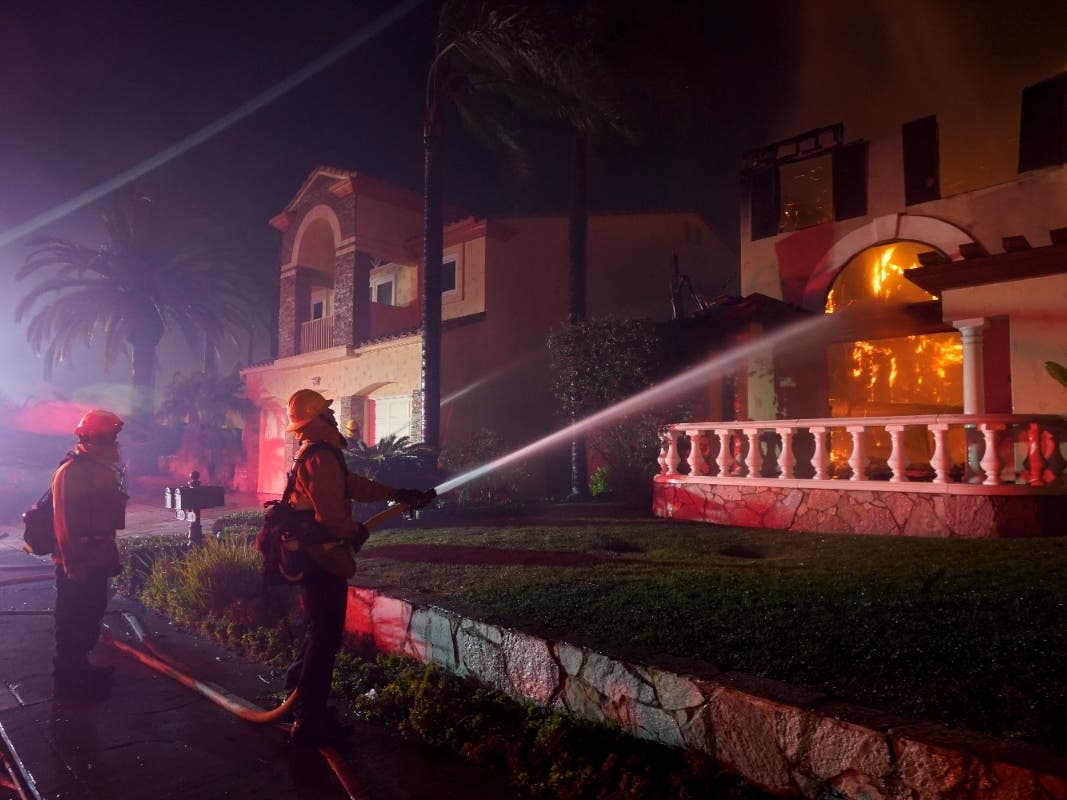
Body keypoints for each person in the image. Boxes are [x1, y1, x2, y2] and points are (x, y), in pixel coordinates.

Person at [282, 389, 431, 747]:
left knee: (319, 631)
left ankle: (295, 699)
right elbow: (331, 516)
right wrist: (355, 531)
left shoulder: (320, 453)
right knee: (325, 636)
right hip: (321, 561)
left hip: (314, 557)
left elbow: (352, 486)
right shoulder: (320, 457)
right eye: (328, 414)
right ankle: (310, 719)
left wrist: (397, 492)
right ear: (318, 420)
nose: (335, 419)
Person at [51, 409, 128, 700]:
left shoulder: (101, 470)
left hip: (97, 558)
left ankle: (82, 670)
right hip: (78, 561)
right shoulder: (70, 472)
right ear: (92, 437)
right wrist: (72, 563)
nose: (115, 443)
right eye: (110, 437)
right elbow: (64, 523)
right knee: (72, 621)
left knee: (91, 616)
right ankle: (68, 683)